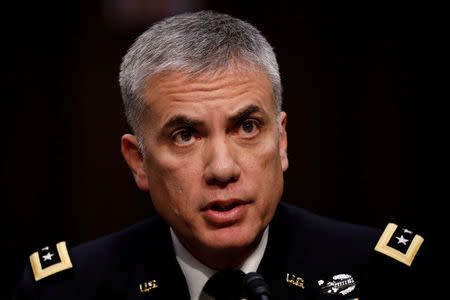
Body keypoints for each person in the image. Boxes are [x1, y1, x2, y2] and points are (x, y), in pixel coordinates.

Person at [13, 10, 425, 300]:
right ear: (138, 161)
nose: (223, 170)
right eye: (185, 135)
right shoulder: (68, 289)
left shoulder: (381, 276)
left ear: (281, 142)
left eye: (247, 127)